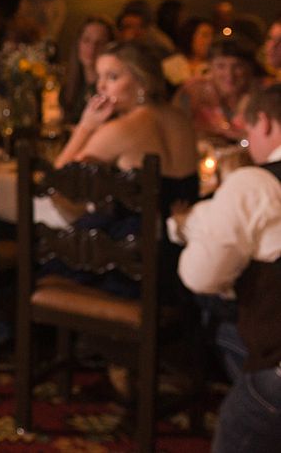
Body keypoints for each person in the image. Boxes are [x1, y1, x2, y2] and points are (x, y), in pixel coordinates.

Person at [176, 84, 281, 453]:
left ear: (265, 123)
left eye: (250, 133)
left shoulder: (256, 183)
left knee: (239, 423)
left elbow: (199, 276)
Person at [53, 41, 199, 296]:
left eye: (112, 77)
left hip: (130, 264)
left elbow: (57, 181)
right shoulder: (181, 119)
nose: (100, 86)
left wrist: (86, 126)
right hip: (179, 259)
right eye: (100, 77)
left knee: (42, 264)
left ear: (142, 82)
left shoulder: (120, 130)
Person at [174, 38, 260, 143]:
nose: (229, 74)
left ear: (249, 68)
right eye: (221, 66)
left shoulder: (261, 96)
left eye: (237, 66)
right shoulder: (193, 91)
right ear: (210, 67)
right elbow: (175, 129)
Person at [59, 15, 115, 124]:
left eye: (100, 43)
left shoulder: (112, 91)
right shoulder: (67, 87)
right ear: (78, 43)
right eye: (86, 40)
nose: (92, 48)